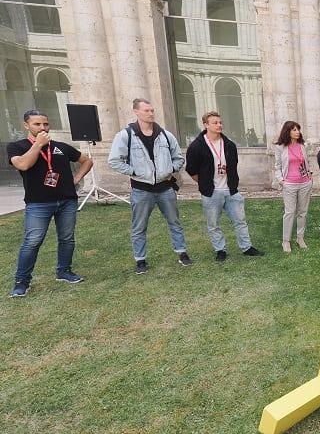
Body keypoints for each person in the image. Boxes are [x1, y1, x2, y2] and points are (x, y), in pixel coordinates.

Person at [8, 109, 93, 297]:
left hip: (66, 200)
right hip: (38, 203)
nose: (42, 127)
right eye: (37, 124)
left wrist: (76, 178)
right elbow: (23, 165)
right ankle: (22, 281)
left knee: (67, 238)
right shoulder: (17, 147)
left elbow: (86, 161)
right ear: (26, 125)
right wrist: (38, 145)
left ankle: (64, 271)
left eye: (45, 124)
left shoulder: (61, 147)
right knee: (33, 241)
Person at [108, 98, 192, 274]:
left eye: (152, 110)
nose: (151, 113)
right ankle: (140, 260)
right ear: (136, 112)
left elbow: (179, 157)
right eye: (146, 110)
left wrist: (171, 169)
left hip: (165, 188)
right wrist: (134, 171)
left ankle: (182, 253)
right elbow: (114, 161)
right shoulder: (125, 135)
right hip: (141, 189)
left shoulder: (166, 135)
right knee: (139, 226)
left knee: (175, 222)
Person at [185, 111, 264, 260]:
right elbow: (191, 169)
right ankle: (220, 250)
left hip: (231, 190)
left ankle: (246, 247)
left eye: (220, 122)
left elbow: (233, 165)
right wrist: (204, 183)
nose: (219, 125)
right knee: (213, 224)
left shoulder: (229, 144)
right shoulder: (197, 146)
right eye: (215, 123)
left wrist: (232, 183)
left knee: (240, 220)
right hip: (211, 192)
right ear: (206, 125)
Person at [274, 121, 313, 253]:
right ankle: (286, 241)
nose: (298, 132)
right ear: (288, 131)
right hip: (289, 184)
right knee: (289, 212)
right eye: (294, 129)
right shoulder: (280, 147)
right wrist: (281, 181)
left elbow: (307, 162)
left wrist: (310, 175)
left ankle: (300, 238)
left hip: (305, 183)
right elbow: (277, 166)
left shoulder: (303, 145)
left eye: (298, 129)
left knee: (303, 212)